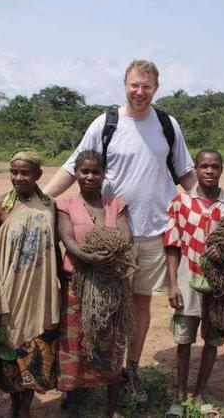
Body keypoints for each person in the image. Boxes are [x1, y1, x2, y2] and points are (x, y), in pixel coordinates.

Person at [44, 60, 196, 402]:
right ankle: (85, 374)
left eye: (146, 86)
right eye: (134, 85)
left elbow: (186, 173)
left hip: (157, 232)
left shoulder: (168, 125)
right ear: (124, 85)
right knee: (101, 303)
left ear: (156, 87)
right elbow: (73, 166)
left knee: (140, 307)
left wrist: (211, 205)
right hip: (112, 234)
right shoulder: (106, 123)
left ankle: (130, 371)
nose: (140, 92)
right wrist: (38, 199)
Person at [0, 149, 60, 418]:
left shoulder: (49, 205)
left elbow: (54, 249)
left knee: (36, 353)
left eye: (25, 173)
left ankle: (25, 408)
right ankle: (13, 406)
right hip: (9, 293)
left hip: (40, 293)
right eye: (14, 172)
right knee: (10, 354)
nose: (18, 177)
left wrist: (62, 281)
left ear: (38, 175)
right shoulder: (0, 205)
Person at [165, 149, 224, 417]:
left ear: (222, 169)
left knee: (212, 340)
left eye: (214, 166)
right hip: (188, 279)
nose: (209, 171)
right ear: (196, 170)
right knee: (184, 339)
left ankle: (199, 393)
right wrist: (173, 283)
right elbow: (172, 245)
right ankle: (179, 396)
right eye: (204, 166)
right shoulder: (181, 203)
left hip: (221, 286)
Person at [57, 150, 131, 418]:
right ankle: (74, 406)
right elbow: (68, 240)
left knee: (110, 343)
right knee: (74, 347)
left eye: (95, 171)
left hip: (111, 288)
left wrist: (108, 254)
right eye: (84, 171)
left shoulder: (116, 205)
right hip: (78, 287)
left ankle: (111, 409)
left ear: (103, 174)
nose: (89, 176)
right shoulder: (65, 206)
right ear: (76, 173)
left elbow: (126, 238)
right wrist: (88, 256)